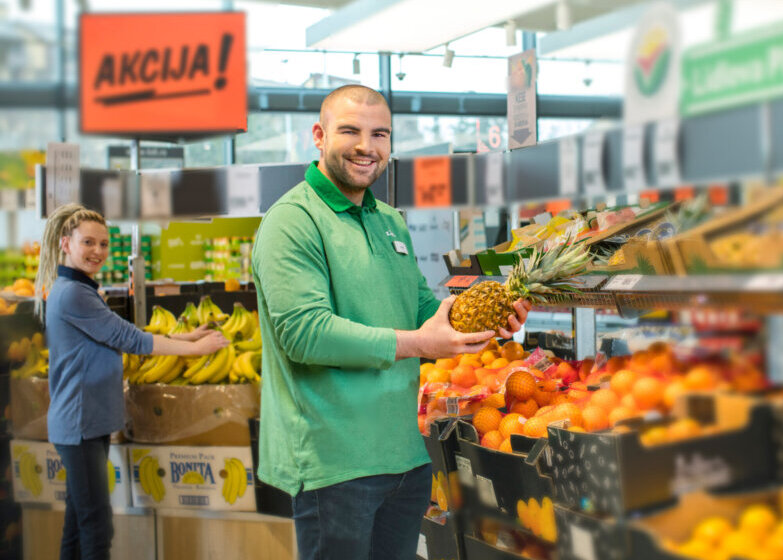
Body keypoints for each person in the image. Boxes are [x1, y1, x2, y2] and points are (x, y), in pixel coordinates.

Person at [252, 84, 530, 560]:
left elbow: (421, 307)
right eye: (350, 131)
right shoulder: (292, 222)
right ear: (318, 136)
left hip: (404, 456)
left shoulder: (389, 220)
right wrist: (419, 342)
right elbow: (304, 333)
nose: (367, 146)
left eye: (379, 134)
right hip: (333, 463)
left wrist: (483, 323)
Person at [36, 204, 230, 560]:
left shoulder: (77, 289)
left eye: (103, 244)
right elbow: (131, 341)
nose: (98, 251)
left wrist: (186, 337)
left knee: (79, 524)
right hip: (79, 425)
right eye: (88, 243)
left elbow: (122, 333)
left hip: (84, 425)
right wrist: (195, 350)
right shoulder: (74, 293)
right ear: (66, 243)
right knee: (96, 527)